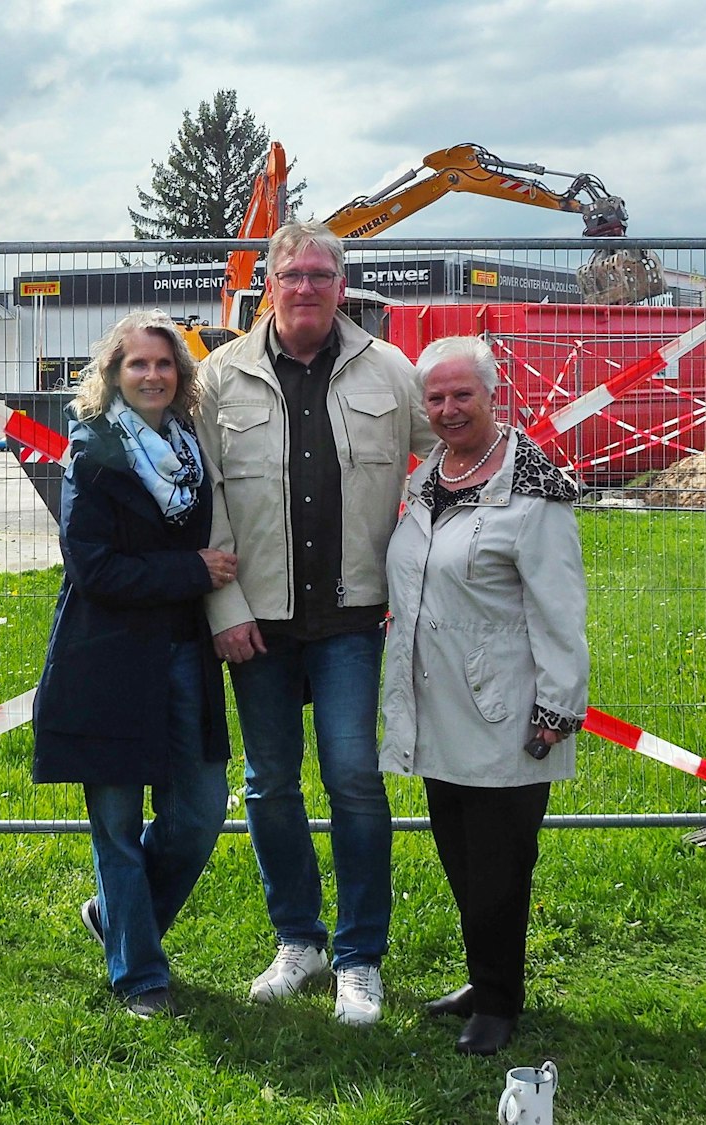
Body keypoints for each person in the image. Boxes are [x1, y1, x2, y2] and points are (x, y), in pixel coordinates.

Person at [194, 220, 437, 1025]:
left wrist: (431, 555)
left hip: (350, 620)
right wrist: (224, 608)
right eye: (291, 274)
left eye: (320, 275)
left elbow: (450, 454)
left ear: (343, 283)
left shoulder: (392, 371)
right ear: (268, 282)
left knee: (353, 780)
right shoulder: (218, 378)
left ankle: (360, 955)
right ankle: (299, 940)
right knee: (269, 784)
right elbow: (206, 506)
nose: (306, 287)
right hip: (256, 624)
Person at [380, 335, 588, 1056]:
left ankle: (499, 1000)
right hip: (436, 709)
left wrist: (558, 707)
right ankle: (484, 974)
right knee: (462, 858)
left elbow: (560, 610)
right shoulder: (428, 478)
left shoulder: (533, 491)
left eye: (461, 394)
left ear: (493, 396)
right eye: (434, 397)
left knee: (500, 866)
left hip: (507, 711)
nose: (447, 408)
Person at [32, 310, 242, 1019]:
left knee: (202, 809)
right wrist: (190, 570)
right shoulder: (92, 451)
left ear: (181, 375)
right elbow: (93, 569)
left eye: (165, 364)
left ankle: (118, 916)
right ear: (113, 375)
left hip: (183, 654)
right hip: (107, 663)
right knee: (116, 824)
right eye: (138, 364)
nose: (152, 375)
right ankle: (140, 974)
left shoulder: (189, 448)